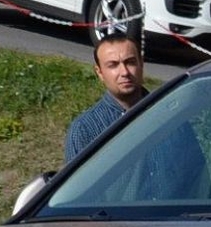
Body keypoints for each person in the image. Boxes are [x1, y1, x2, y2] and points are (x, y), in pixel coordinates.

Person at [64, 31, 153, 164]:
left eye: (130, 62)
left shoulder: (168, 109)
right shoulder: (85, 130)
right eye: (113, 65)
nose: (124, 72)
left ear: (141, 64)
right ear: (99, 73)